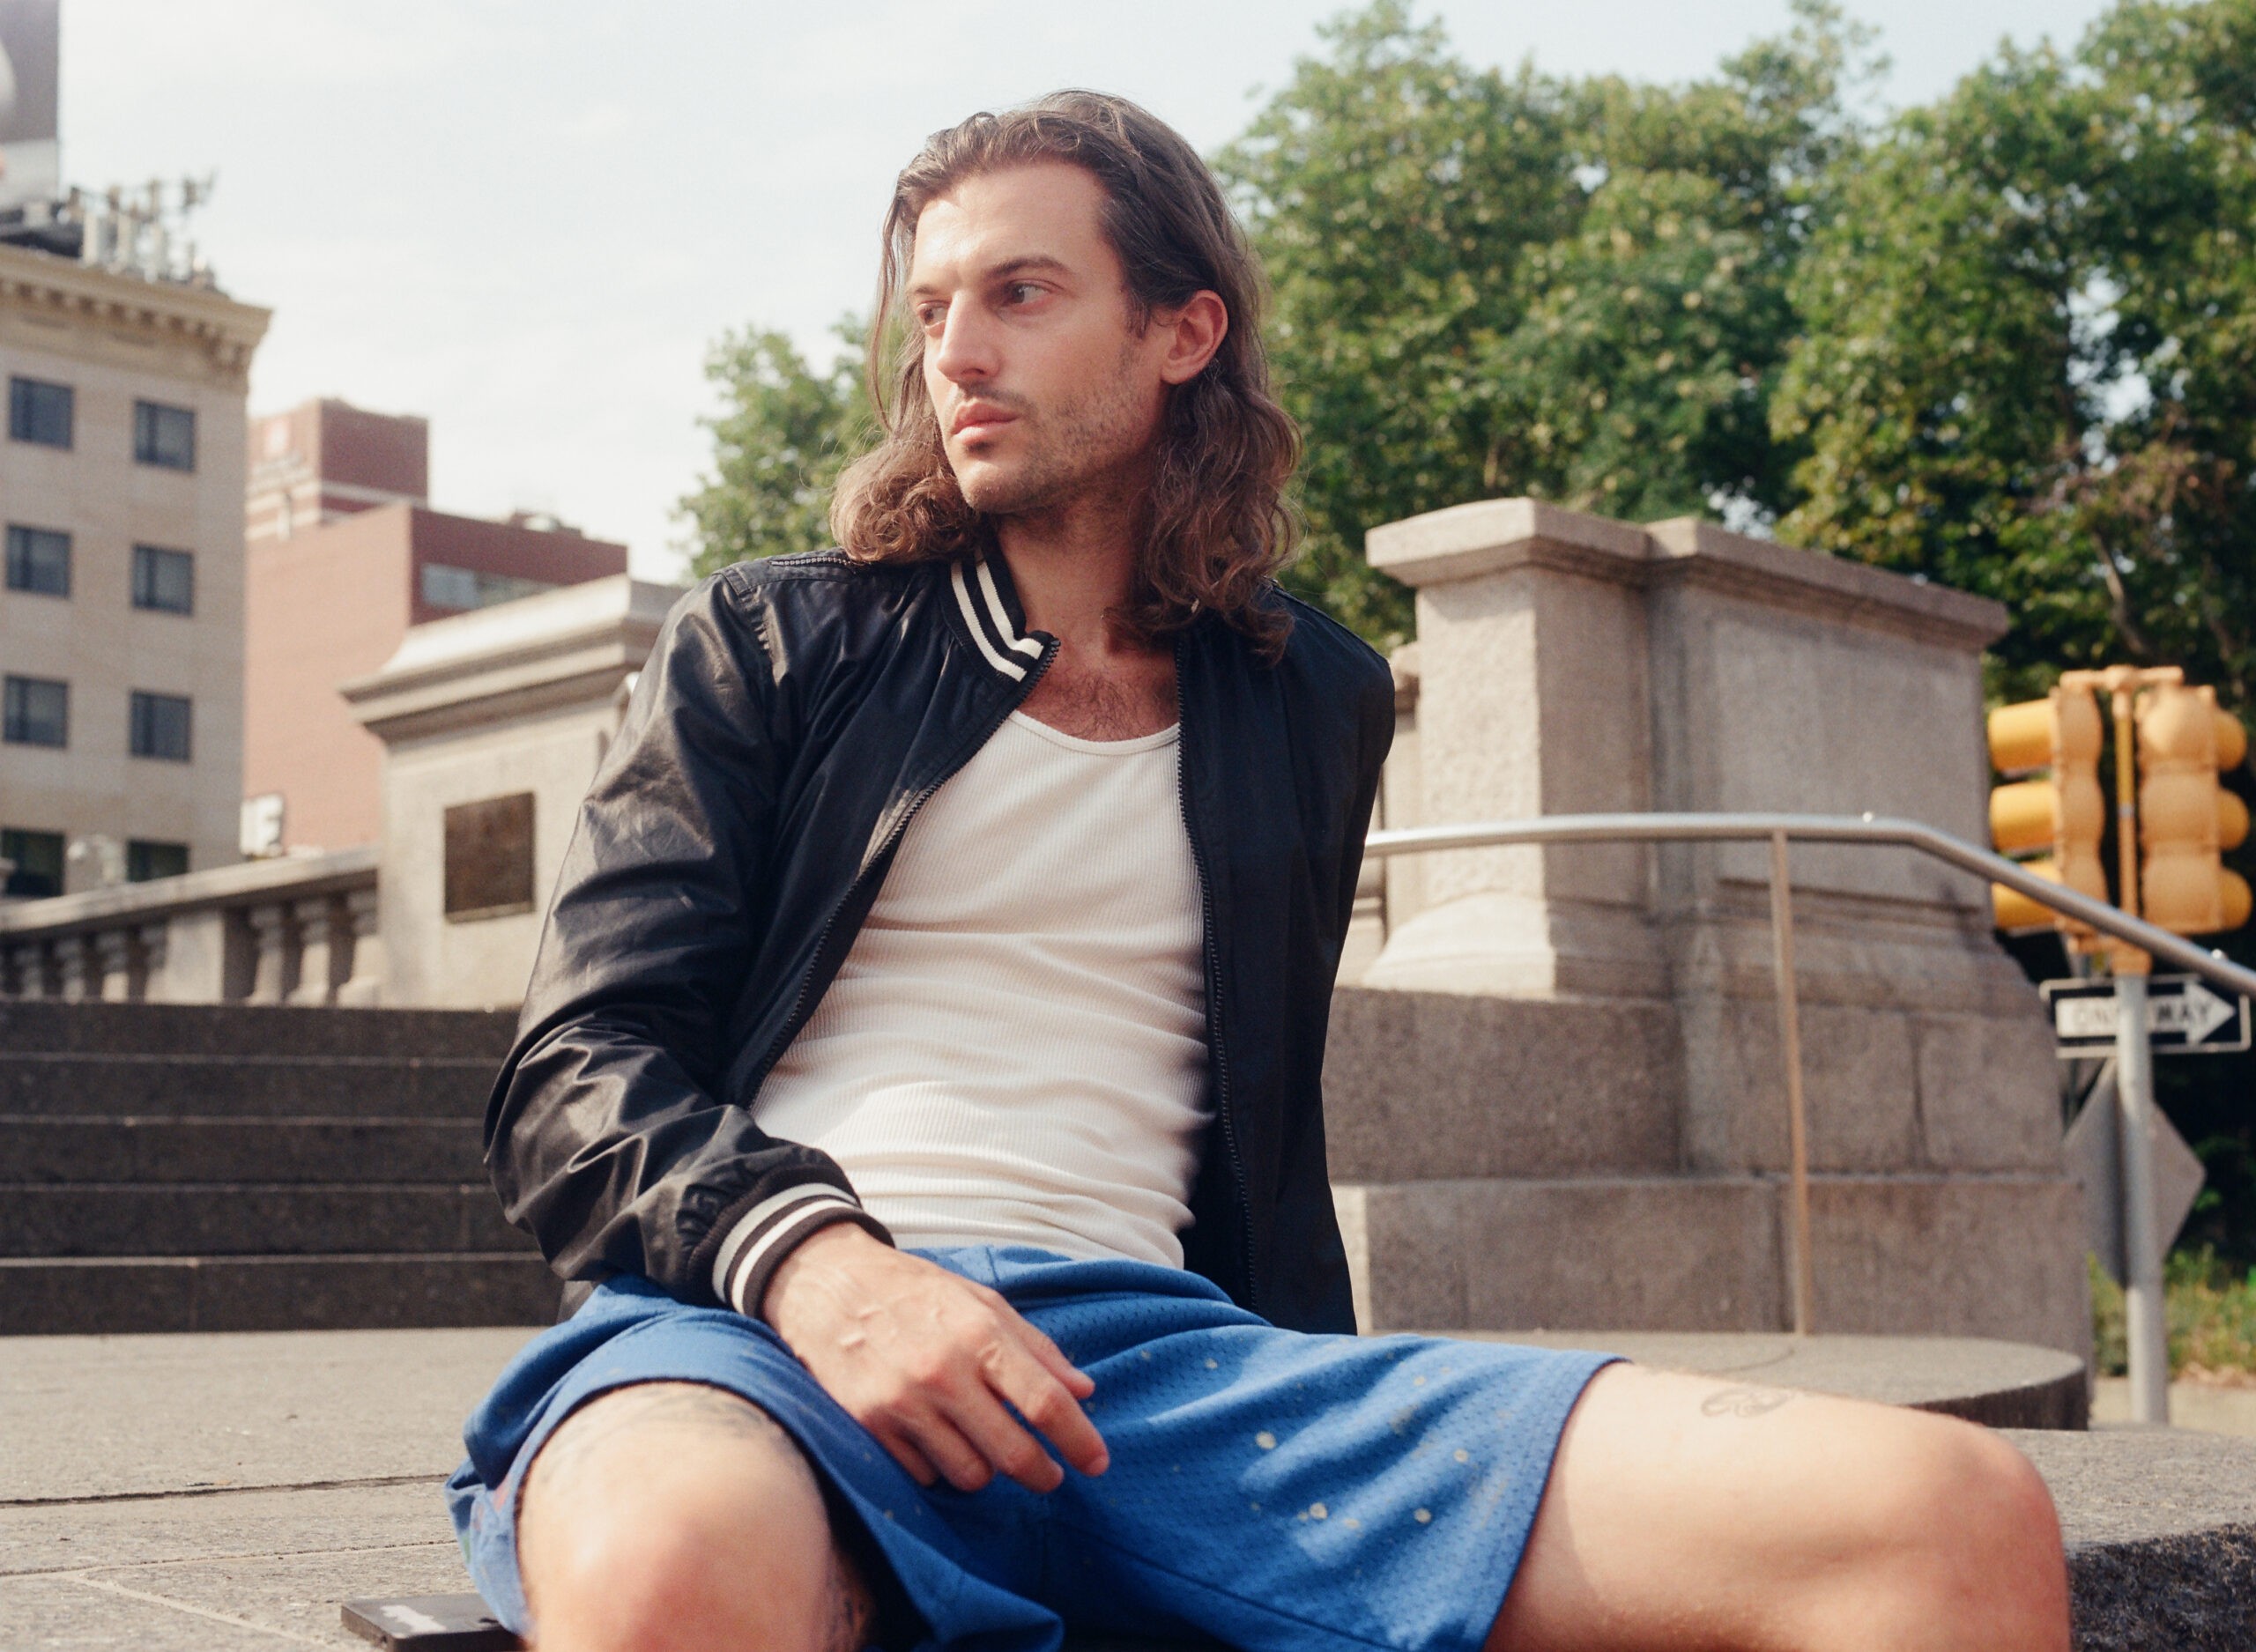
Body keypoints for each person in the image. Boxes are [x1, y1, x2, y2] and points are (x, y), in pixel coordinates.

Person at [447, 92, 2071, 1652]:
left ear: (1183, 331)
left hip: (1166, 1379)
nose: (954, 352)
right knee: (673, 1563)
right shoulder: (778, 638)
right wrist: (819, 1267)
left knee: (1945, 1515)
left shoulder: (1311, 697)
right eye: (932, 306)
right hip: (763, 1338)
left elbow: (1261, 1133)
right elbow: (572, 1075)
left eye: (1021, 292)